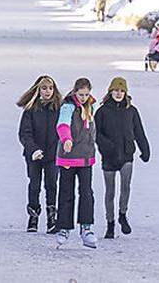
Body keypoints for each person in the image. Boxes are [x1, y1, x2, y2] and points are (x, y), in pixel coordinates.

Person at [94, 77, 150, 239]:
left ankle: (122, 214)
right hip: (109, 157)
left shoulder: (131, 111)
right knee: (110, 191)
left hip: (127, 155)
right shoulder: (102, 111)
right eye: (115, 90)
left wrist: (144, 149)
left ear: (125, 93)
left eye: (121, 91)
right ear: (110, 92)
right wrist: (106, 147)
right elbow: (96, 134)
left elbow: (139, 131)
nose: (118, 93)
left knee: (126, 186)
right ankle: (110, 223)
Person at [55, 77, 98, 249]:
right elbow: (62, 125)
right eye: (81, 94)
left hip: (86, 157)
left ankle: (86, 228)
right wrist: (66, 139)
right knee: (66, 192)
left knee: (86, 192)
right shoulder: (68, 107)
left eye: (86, 94)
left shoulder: (91, 107)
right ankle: (64, 227)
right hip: (68, 157)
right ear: (75, 92)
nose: (84, 98)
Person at [17, 75, 62, 233]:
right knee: (34, 185)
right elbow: (24, 133)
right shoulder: (30, 110)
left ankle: (52, 217)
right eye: (44, 88)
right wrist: (33, 149)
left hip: (53, 155)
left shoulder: (59, 109)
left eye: (50, 88)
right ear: (38, 90)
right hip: (34, 155)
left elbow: (62, 131)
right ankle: (33, 215)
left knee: (51, 184)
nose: (47, 91)